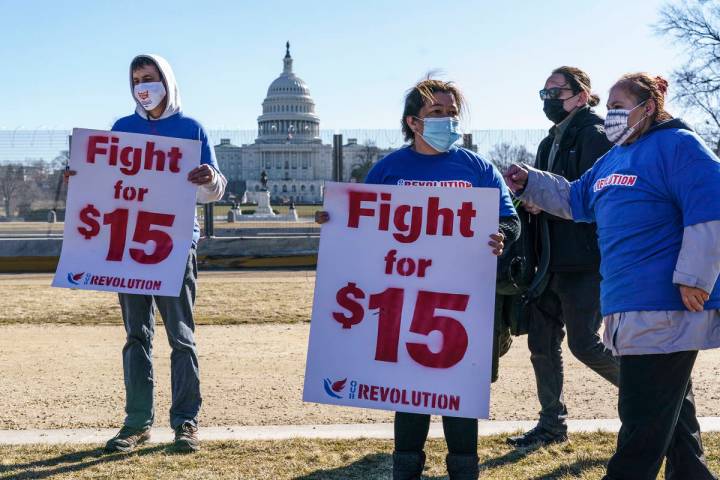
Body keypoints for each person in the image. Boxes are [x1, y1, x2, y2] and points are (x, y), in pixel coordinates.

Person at [505, 73, 720, 480]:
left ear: (649, 107)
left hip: (665, 306)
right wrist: (531, 182)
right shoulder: (613, 158)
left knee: (641, 421)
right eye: (609, 109)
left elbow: (711, 204)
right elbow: (575, 198)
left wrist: (696, 276)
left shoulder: (678, 144)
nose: (611, 117)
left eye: (619, 108)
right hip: (627, 304)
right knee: (672, 417)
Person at [317, 78, 519, 480]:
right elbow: (361, 222)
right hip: (403, 298)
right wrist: (333, 222)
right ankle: (406, 467)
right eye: (436, 113)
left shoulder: (477, 168)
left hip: (461, 299)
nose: (447, 119)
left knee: (459, 392)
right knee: (409, 389)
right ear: (413, 121)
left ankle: (464, 470)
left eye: (451, 113)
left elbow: (509, 218)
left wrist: (503, 237)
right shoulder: (389, 169)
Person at [65, 54, 226, 453]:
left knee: (181, 337)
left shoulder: (192, 128)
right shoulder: (122, 128)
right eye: (136, 79)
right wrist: (80, 176)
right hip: (127, 246)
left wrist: (208, 179)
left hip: (174, 245)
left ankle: (186, 421)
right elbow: (106, 180)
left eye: (150, 77)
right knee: (136, 336)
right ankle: (137, 422)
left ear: (166, 82)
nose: (143, 85)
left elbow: (214, 189)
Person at [507, 67, 620, 448]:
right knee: (540, 342)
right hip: (549, 261)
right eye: (545, 92)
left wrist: (546, 203)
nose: (549, 99)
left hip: (584, 261)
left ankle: (655, 395)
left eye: (557, 91)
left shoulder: (597, 135)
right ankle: (551, 424)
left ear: (583, 94)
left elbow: (592, 195)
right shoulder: (547, 142)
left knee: (584, 343)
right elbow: (546, 193)